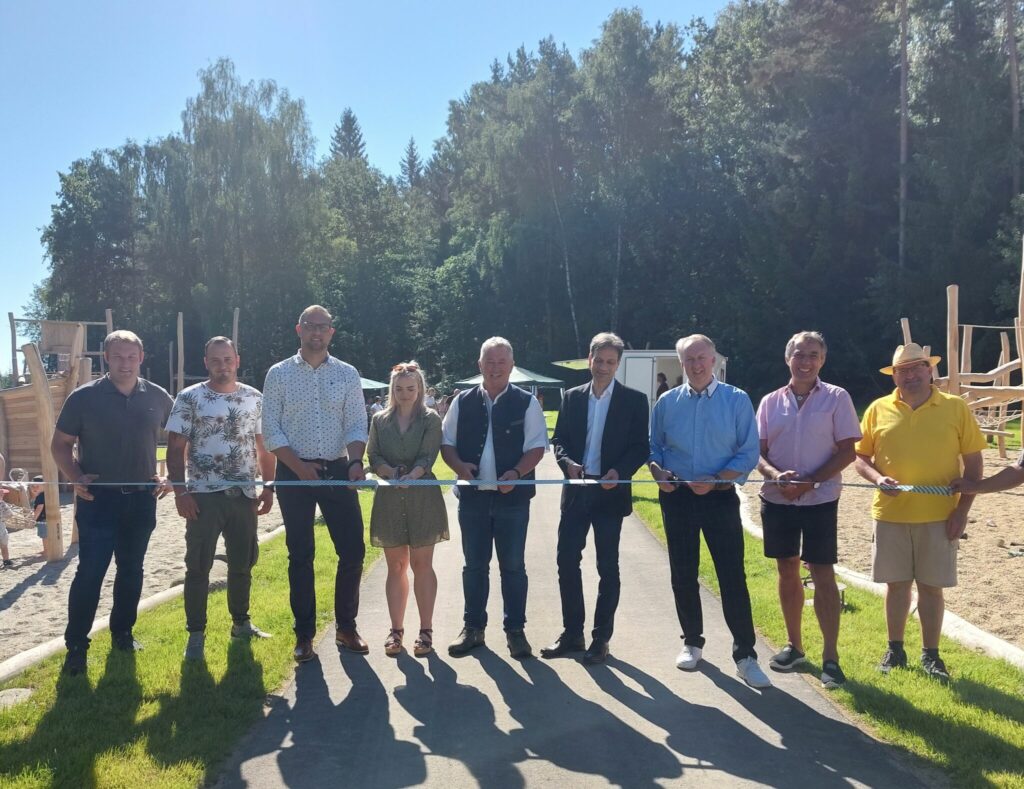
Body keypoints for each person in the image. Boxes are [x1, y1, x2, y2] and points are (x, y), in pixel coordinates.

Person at [855, 342, 985, 681]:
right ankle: (895, 649)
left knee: (931, 587)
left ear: (930, 370)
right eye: (903, 370)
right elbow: (860, 458)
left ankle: (931, 655)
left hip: (940, 515)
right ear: (894, 375)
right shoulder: (877, 409)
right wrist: (877, 477)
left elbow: (973, 464)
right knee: (896, 586)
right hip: (890, 514)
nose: (910, 375)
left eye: (917, 368)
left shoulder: (955, 408)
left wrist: (962, 510)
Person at [649, 334, 771, 689]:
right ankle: (692, 641)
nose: (696, 365)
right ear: (681, 363)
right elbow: (654, 446)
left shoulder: (737, 400)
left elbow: (748, 452)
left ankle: (745, 655)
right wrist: (658, 472)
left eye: (701, 358)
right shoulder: (667, 402)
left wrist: (718, 478)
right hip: (678, 497)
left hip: (718, 496)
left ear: (714, 358)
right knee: (682, 574)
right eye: (689, 360)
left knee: (732, 576)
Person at [51, 330, 174, 675]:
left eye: (131, 356)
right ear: (107, 358)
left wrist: (169, 476)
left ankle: (122, 632)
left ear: (141, 357)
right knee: (90, 572)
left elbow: (181, 440)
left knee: (132, 570)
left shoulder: (158, 397)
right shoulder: (84, 397)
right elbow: (60, 444)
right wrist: (75, 476)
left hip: (142, 499)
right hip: (97, 500)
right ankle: (77, 645)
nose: (125, 363)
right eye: (118, 356)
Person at [262, 305, 369, 663]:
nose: (317, 333)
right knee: (301, 555)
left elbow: (356, 422)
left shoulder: (348, 373)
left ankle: (346, 627)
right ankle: (304, 634)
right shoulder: (278, 374)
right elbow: (271, 430)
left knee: (353, 550)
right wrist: (298, 465)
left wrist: (355, 462)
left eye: (323, 327)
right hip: (293, 472)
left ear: (331, 333)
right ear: (299, 329)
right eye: (310, 326)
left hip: (339, 469)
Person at [755, 331, 861, 688]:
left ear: (822, 360)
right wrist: (774, 476)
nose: (806, 361)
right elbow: (758, 451)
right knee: (786, 569)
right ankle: (795, 646)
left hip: (820, 501)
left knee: (822, 572)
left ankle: (831, 657)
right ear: (788, 358)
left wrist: (811, 481)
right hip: (778, 499)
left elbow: (848, 451)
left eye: (813, 355)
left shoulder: (837, 398)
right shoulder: (770, 401)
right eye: (799, 354)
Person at [165, 336, 277, 661]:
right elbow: (175, 447)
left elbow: (264, 447)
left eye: (227, 359)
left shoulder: (254, 398)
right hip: (202, 496)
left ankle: (241, 623)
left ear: (237, 360)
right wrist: (180, 491)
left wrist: (269, 487)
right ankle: (196, 636)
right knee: (198, 567)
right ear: (206, 362)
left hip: (243, 495)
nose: (222, 365)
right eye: (216, 360)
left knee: (243, 564)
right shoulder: (189, 398)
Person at [543, 332, 649, 664]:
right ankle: (572, 633)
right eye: (598, 360)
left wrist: (619, 471)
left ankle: (600, 639)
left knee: (607, 567)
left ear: (618, 364)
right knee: (566, 562)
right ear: (589, 360)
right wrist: (567, 464)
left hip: (610, 494)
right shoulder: (572, 397)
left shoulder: (634, 400)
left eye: (610, 362)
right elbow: (558, 440)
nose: (603, 367)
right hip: (576, 492)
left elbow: (639, 447)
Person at [441, 337, 547, 659]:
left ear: (511, 366)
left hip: (512, 502)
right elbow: (446, 444)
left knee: (513, 567)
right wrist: (459, 466)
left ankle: (515, 631)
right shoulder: (461, 401)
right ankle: (473, 629)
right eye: (490, 361)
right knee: (474, 567)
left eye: (501, 362)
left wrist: (516, 473)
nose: (495, 367)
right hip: (472, 500)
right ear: (480, 365)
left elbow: (537, 447)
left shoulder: (527, 403)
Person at [366, 361, 449, 657]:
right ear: (392, 390)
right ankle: (396, 630)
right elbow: (372, 454)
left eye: (410, 389)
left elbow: (429, 455)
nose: (404, 394)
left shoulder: (429, 419)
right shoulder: (379, 420)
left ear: (419, 389)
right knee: (396, 566)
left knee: (421, 565)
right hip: (390, 498)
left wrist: (412, 476)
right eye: (399, 389)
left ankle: (425, 631)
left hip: (422, 496)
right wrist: (388, 472)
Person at [0, 451, 12, 568]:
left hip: (1, 527)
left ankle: (6, 560)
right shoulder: (2, 504)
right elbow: (9, 514)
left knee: (4, 545)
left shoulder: (2, 504)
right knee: (4, 545)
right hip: (1, 527)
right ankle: (6, 560)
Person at [30, 475, 47, 555]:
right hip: (44, 518)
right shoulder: (43, 495)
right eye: (33, 486)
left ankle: (47, 550)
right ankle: (47, 549)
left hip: (43, 519)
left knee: (44, 535)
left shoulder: (41, 496)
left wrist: (33, 519)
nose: (34, 488)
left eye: (37, 486)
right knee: (45, 535)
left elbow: (39, 508)